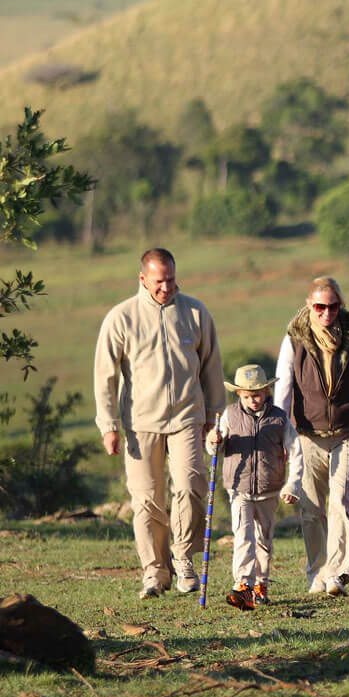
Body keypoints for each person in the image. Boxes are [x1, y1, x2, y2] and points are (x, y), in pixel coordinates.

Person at [94, 247, 225, 599]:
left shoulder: (195, 312)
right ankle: (154, 572)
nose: (166, 288)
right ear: (142, 279)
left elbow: (211, 367)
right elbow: (105, 375)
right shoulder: (121, 317)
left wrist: (215, 416)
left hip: (188, 417)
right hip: (140, 422)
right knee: (147, 500)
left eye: (170, 280)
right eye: (158, 282)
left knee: (191, 485)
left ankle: (183, 557)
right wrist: (108, 424)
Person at [273, 275, 349, 595]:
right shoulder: (294, 338)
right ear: (309, 305)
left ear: (340, 306)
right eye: (319, 307)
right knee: (311, 509)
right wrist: (279, 434)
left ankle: (338, 573)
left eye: (332, 307)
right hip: (307, 434)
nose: (326, 313)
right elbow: (283, 388)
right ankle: (316, 572)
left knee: (340, 502)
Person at [206, 363, 290, 610]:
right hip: (239, 488)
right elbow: (214, 447)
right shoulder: (229, 415)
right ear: (239, 395)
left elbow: (293, 449)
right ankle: (243, 584)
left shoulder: (279, 418)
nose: (253, 400)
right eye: (247, 396)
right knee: (243, 536)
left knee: (264, 540)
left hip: (269, 488)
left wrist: (292, 485)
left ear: (266, 392)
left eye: (257, 395)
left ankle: (260, 584)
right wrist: (213, 441)